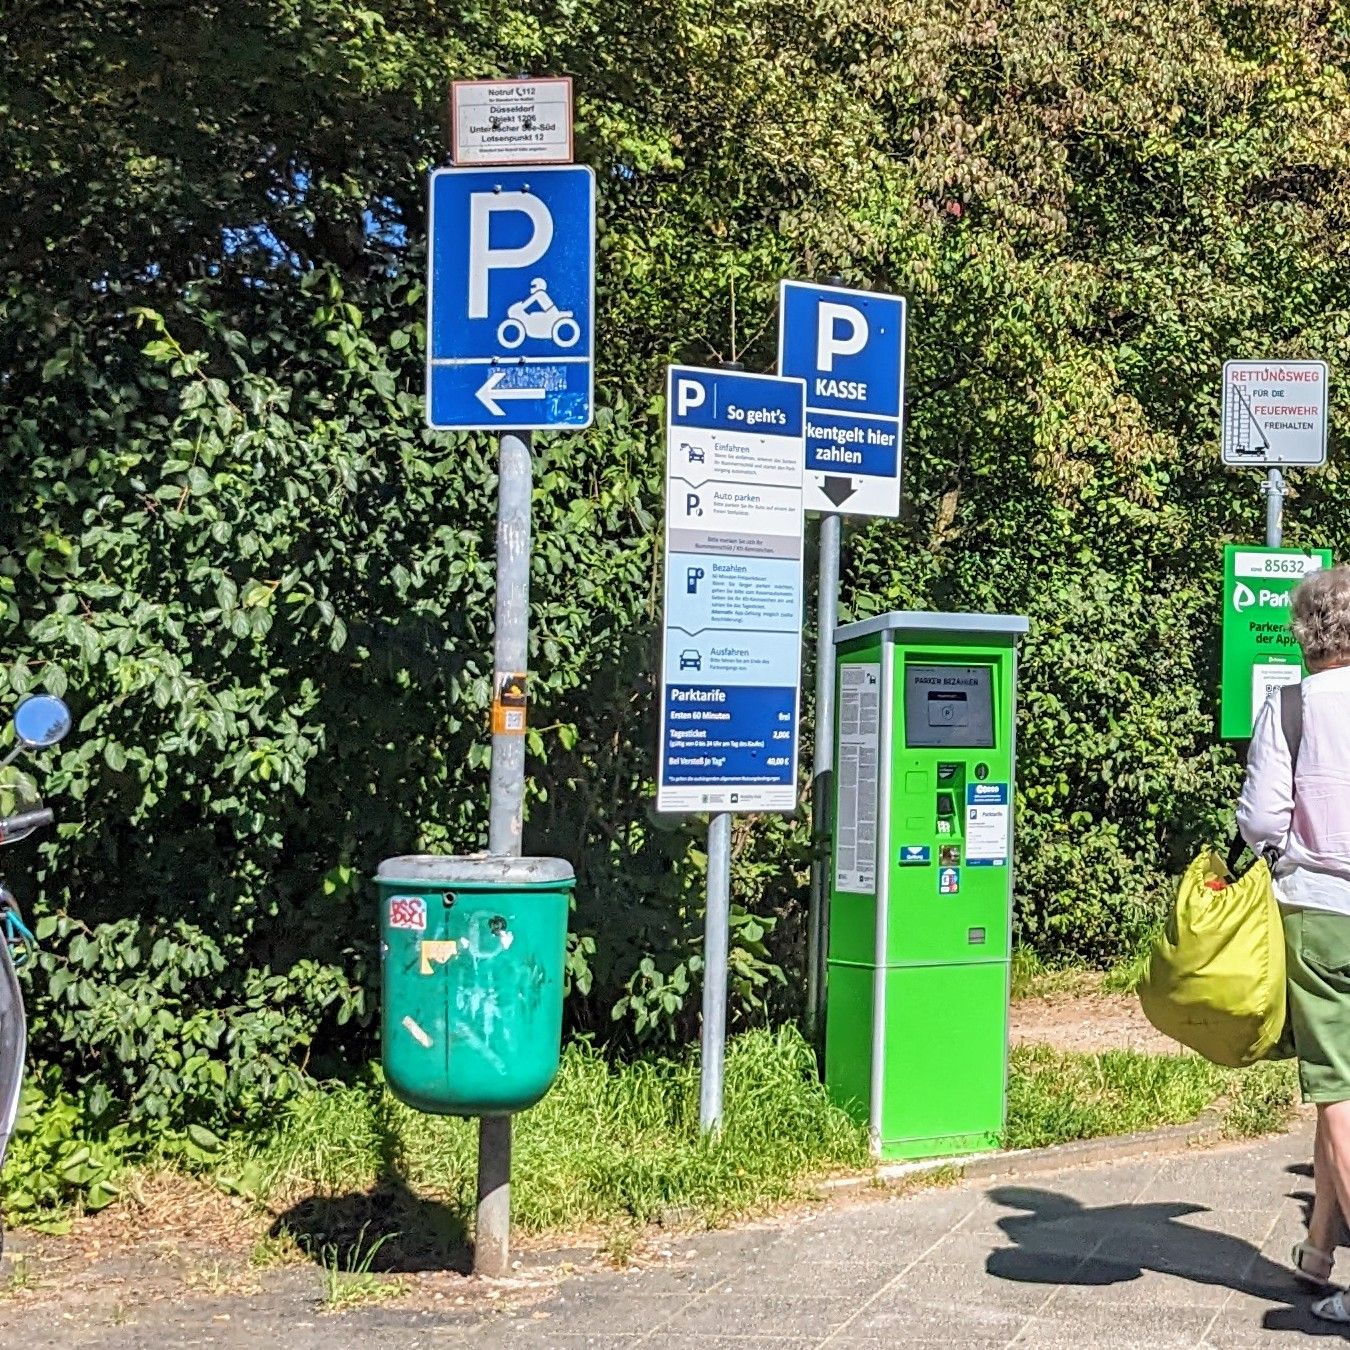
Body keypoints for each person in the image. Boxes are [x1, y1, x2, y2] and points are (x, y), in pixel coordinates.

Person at [1237, 562, 1350, 1323]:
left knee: (1338, 1086)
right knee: (1335, 1083)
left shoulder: (1291, 708)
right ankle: (1317, 1250)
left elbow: (1262, 822)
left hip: (1321, 914)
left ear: (1304, 632)